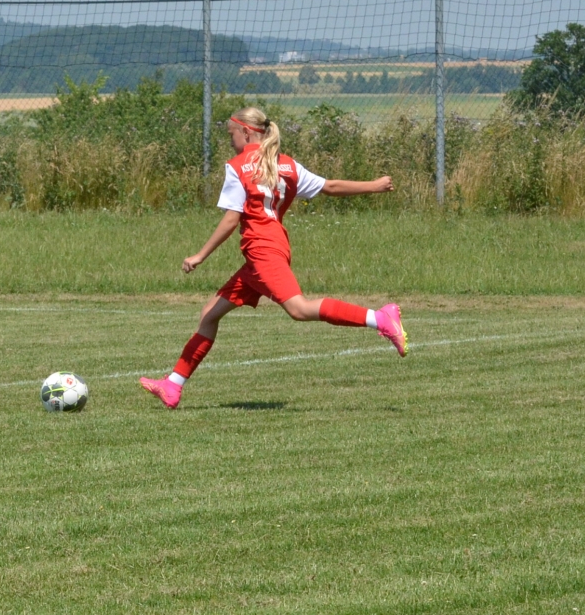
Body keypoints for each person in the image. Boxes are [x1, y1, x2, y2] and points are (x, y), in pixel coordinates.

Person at [139, 105, 408, 409]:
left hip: (261, 250)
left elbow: (231, 219)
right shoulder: (287, 165)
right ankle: (173, 385)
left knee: (299, 309)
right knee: (210, 314)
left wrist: (200, 255)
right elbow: (330, 187)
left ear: (246, 132)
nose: (230, 141)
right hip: (273, 246)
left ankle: (380, 318)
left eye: (231, 134)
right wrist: (374, 186)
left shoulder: (237, 166)